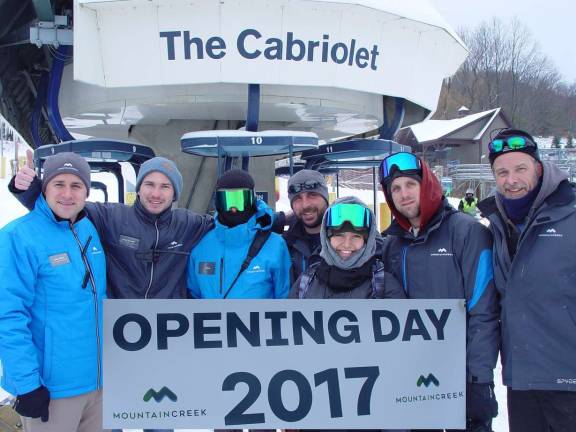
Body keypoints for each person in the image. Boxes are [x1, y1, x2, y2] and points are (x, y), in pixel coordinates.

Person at [379, 152, 500, 432]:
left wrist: (478, 379)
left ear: (427, 184)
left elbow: (484, 309)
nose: (404, 194)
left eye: (410, 184)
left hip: (461, 376)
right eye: (395, 189)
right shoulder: (392, 244)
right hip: (414, 379)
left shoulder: (467, 232)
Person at [477, 129, 576, 432]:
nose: (511, 180)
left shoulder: (570, 215)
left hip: (568, 379)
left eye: (520, 168)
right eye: (502, 172)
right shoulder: (496, 224)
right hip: (521, 380)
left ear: (538, 166)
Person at [0, 153, 107, 432]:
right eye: (59, 184)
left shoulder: (89, 230)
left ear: (87, 191)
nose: (67, 194)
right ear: (44, 187)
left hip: (98, 384)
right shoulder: (18, 236)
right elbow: (8, 315)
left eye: (76, 186)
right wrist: (27, 384)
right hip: (51, 390)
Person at [187, 168, 291, 300]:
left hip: (259, 320)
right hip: (212, 321)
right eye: (227, 201)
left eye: (240, 200)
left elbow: (286, 298)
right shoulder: (202, 247)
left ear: (251, 201)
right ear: (218, 202)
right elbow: (192, 298)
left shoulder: (275, 245)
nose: (233, 209)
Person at [290, 196, 404, 301]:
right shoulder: (305, 283)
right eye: (339, 235)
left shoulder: (384, 285)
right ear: (327, 238)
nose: (347, 244)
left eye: (356, 236)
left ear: (367, 241)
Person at [283, 169, 329, 282]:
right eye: (298, 198)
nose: (305, 205)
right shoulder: (285, 245)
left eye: (312, 195)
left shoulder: (347, 238)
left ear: (326, 199)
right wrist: (280, 219)